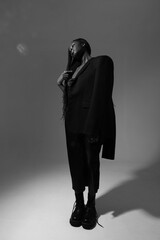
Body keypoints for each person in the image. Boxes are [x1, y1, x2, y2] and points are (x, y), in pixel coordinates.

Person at [57, 38, 116, 230]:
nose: (70, 50)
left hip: (90, 125)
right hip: (72, 126)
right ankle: (79, 203)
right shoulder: (75, 73)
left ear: (83, 44)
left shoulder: (101, 62)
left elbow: (101, 95)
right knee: (75, 164)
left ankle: (91, 205)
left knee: (91, 163)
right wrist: (62, 84)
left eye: (72, 46)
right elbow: (70, 102)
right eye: (69, 50)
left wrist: (93, 126)